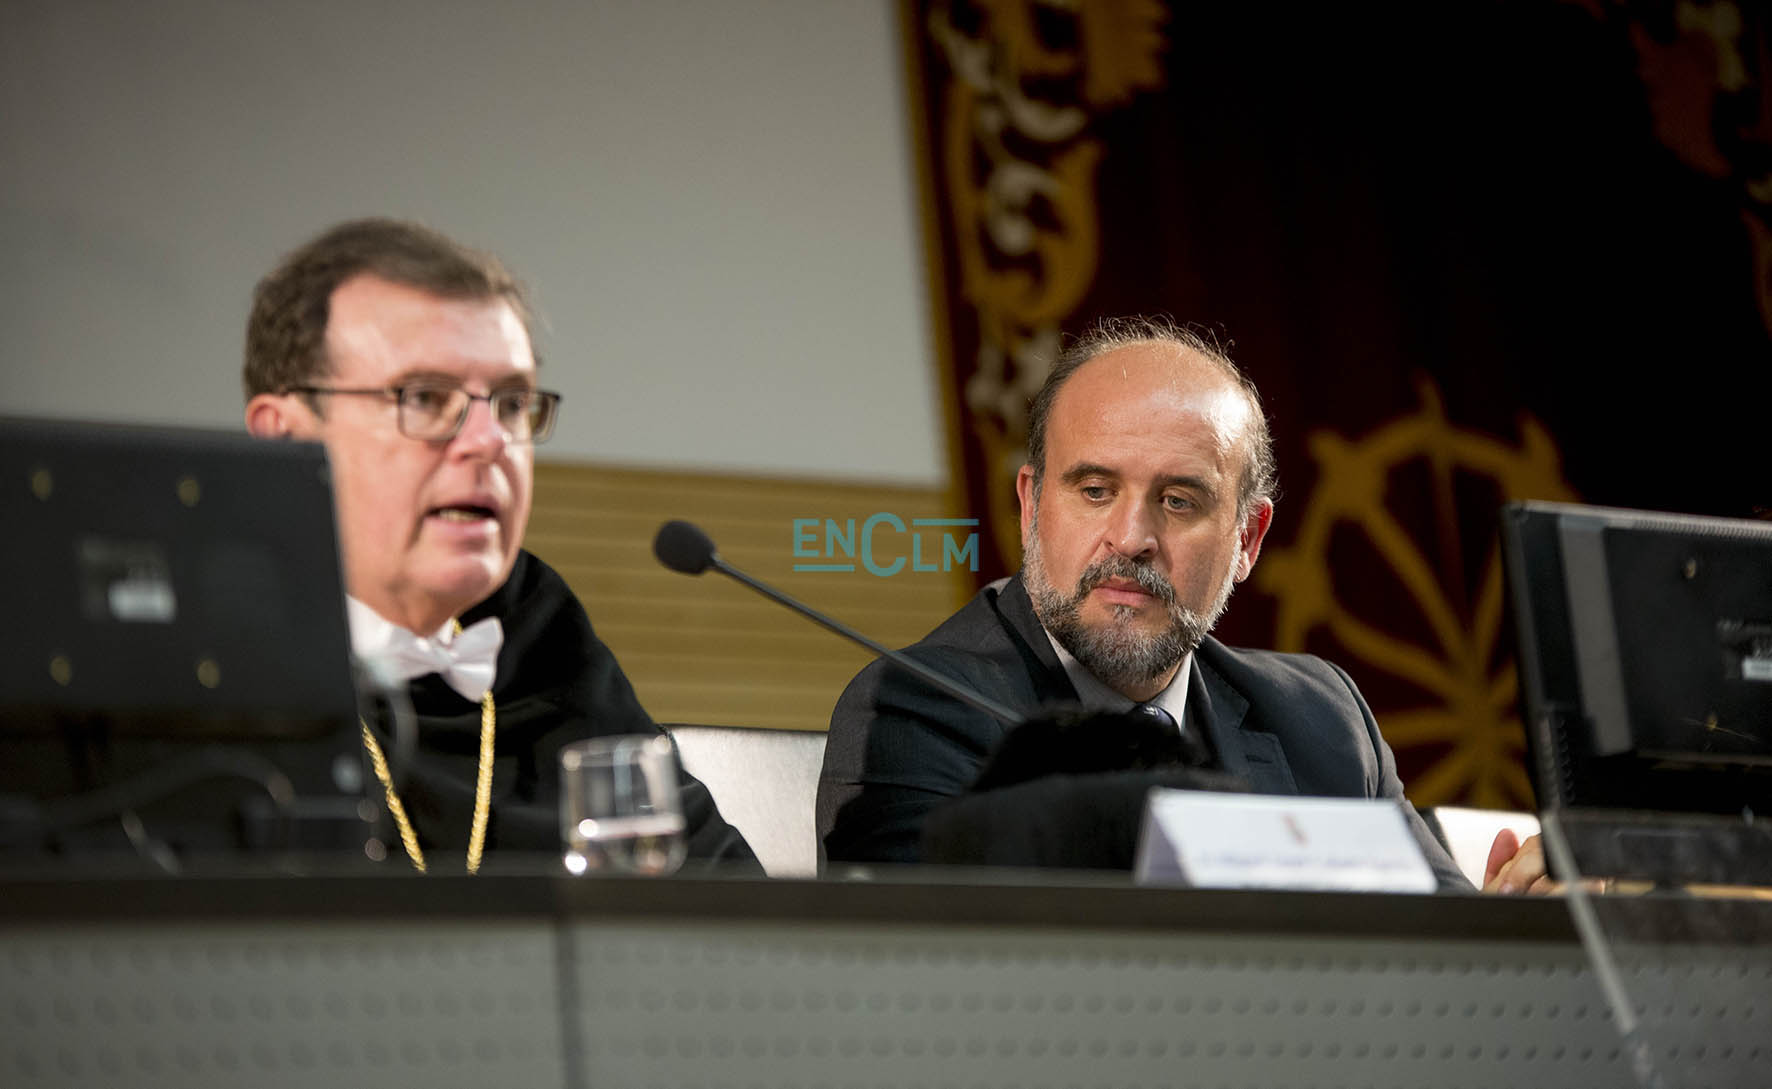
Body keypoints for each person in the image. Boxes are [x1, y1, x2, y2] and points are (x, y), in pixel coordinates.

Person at [819, 316, 1541, 890]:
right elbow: (927, 1002)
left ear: (1249, 537)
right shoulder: (921, 710)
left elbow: (1432, 948)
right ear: (1032, 504)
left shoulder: (1322, 717)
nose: (1131, 538)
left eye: (1178, 499)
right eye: (1094, 490)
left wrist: (1519, 931)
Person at [244, 217, 754, 872]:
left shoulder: (539, 625)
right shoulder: (195, 656)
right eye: (426, 396)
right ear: (286, 439)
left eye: (512, 402)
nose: (490, 440)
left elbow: (739, 911)